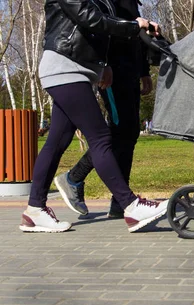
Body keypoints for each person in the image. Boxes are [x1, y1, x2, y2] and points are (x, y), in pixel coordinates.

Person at [19, 0, 167, 233]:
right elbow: (90, 19)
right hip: (65, 67)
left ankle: (35, 210)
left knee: (56, 142)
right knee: (100, 138)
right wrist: (133, 25)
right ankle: (131, 205)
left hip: (74, 69)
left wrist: (107, 61)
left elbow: (103, 26)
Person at [53, 0, 155, 219]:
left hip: (130, 70)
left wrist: (144, 70)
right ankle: (73, 178)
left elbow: (135, 31)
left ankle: (120, 203)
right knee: (119, 131)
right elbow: (101, 26)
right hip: (112, 71)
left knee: (129, 133)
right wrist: (104, 64)